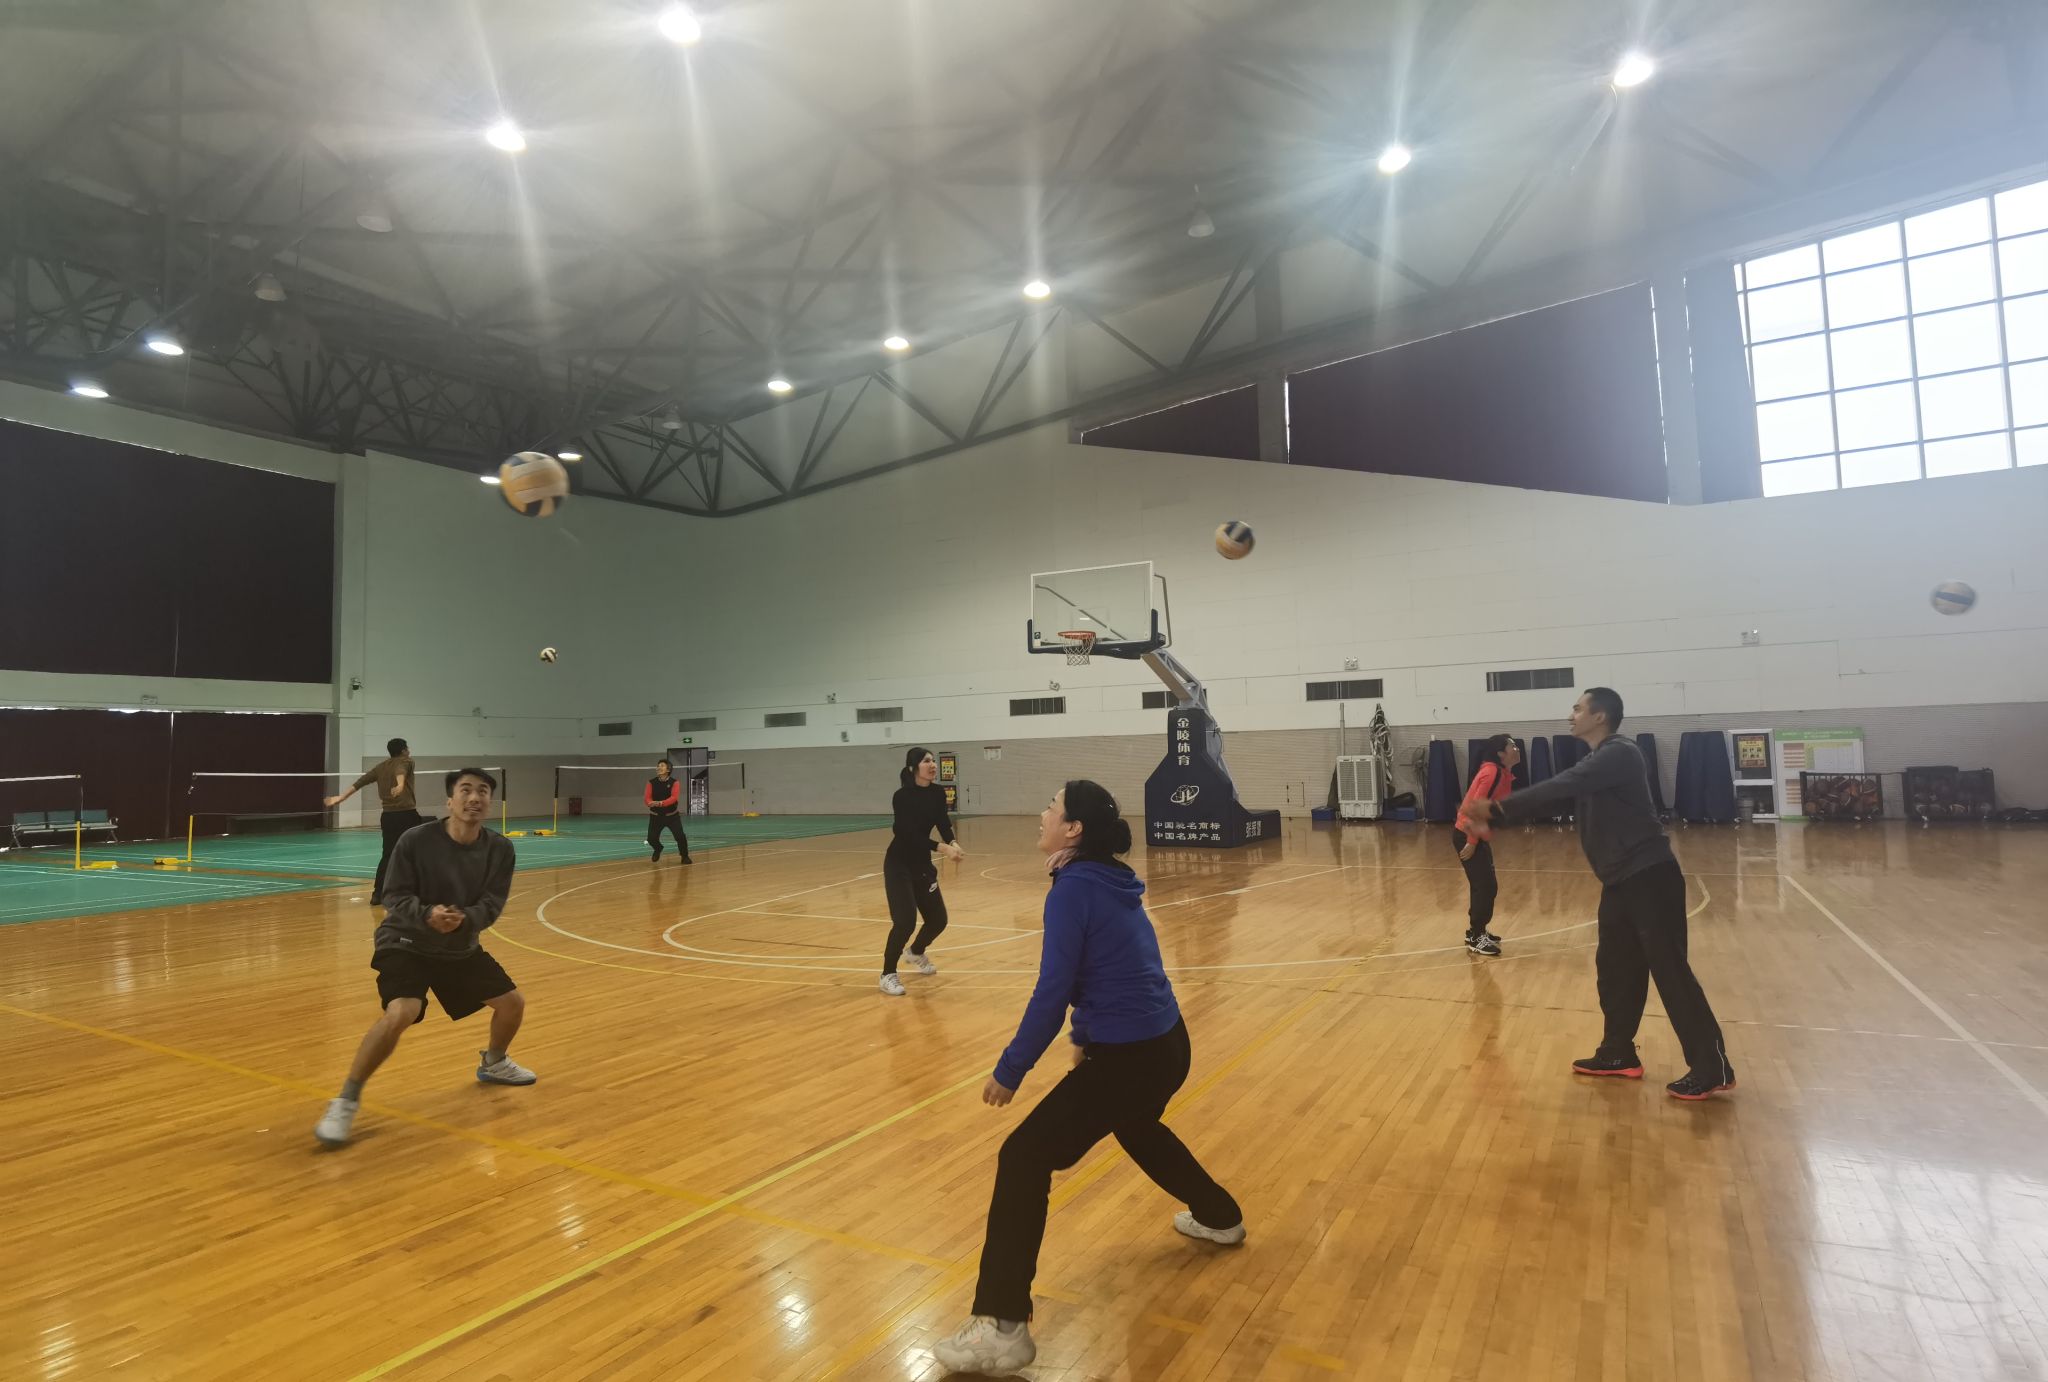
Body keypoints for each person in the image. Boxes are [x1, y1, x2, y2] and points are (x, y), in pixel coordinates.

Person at [931, 780, 1243, 1376]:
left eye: (1052, 807)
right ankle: (1220, 1214)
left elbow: (1054, 989)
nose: (1042, 813)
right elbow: (1111, 966)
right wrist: (1086, 1036)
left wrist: (1011, 1069)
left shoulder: (1074, 888)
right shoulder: (1108, 880)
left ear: (1072, 829)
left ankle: (1001, 1327)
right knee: (1136, 1125)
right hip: (1166, 1043)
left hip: (1134, 1056)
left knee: (1023, 1156)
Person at [1462, 688, 1734, 1101]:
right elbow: (1561, 794)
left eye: (1578, 708)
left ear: (1600, 716)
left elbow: (1563, 785)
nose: (1571, 715)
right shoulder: (1597, 761)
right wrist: (1498, 818)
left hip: (1650, 877)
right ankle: (1617, 1052)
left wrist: (1497, 810)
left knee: (1670, 971)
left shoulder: (1619, 753)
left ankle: (1712, 1066)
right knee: (1615, 969)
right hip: (1619, 881)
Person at [314, 768, 534, 1147]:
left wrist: (464, 919)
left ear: (489, 803)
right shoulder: (415, 840)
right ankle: (346, 1100)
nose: (474, 797)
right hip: (405, 940)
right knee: (402, 1011)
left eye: (483, 791)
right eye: (465, 790)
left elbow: (492, 904)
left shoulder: (500, 849)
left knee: (512, 1004)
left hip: (458, 945)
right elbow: (394, 895)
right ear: (450, 801)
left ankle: (494, 1062)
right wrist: (428, 914)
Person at [879, 747, 962, 996]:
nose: (933, 765)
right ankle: (887, 974)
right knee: (905, 922)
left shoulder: (937, 793)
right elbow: (906, 834)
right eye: (927, 761)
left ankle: (915, 952)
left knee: (938, 920)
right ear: (913, 767)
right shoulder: (902, 797)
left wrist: (953, 841)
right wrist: (942, 847)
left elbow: (942, 821)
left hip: (922, 865)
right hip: (899, 864)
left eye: (933, 761)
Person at [325, 737, 423, 906]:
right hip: (407, 815)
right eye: (407, 748)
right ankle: (415, 891)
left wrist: (341, 797)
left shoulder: (380, 767)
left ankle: (378, 894)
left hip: (388, 817)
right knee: (416, 853)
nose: (409, 750)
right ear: (403, 751)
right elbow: (400, 770)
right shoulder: (406, 761)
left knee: (388, 855)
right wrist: (400, 785)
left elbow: (360, 782)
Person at [1453, 734, 1519, 955]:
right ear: (1500, 753)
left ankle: (1476, 931)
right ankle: (1476, 935)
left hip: (1477, 835)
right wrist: (1472, 842)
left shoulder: (1502, 773)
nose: (1516, 749)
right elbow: (1476, 808)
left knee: (1486, 885)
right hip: (1467, 835)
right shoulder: (1492, 773)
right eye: (1512, 746)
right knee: (1485, 886)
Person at [646, 758, 691, 864]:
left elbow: (674, 798)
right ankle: (658, 848)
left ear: (668, 769)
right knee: (651, 839)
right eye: (658, 766)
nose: (659, 767)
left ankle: (684, 856)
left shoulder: (675, 782)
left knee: (680, 836)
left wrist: (661, 803)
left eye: (662, 765)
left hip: (672, 816)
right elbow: (647, 798)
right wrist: (649, 803)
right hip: (656, 816)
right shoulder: (651, 782)